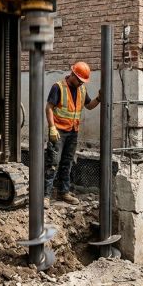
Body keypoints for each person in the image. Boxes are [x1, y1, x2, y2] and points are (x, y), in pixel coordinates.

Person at [44, 61, 100, 207]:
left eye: (83, 81)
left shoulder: (81, 90)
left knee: (67, 163)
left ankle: (64, 192)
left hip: (73, 132)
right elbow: (49, 107)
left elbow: (89, 106)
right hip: (58, 132)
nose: (81, 83)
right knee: (53, 163)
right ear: (73, 75)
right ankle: (45, 195)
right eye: (80, 80)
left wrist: (99, 98)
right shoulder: (58, 87)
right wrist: (52, 128)